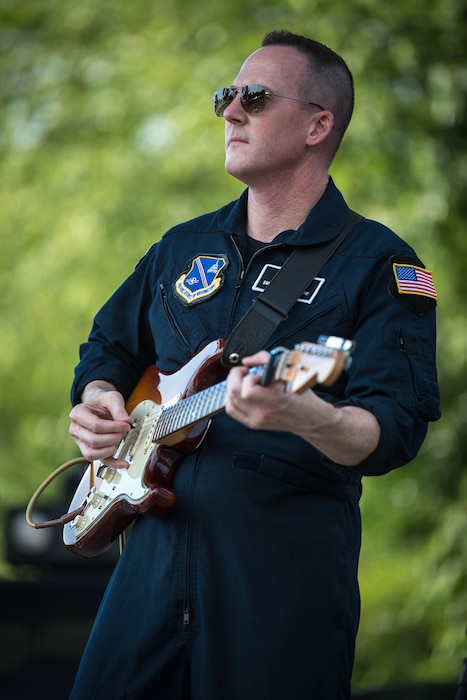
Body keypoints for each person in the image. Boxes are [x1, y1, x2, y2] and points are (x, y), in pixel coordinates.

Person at [68, 30, 440, 700]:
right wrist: (98, 399)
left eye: (255, 98)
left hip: (279, 573)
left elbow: (395, 426)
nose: (230, 112)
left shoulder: (386, 266)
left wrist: (306, 415)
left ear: (317, 125)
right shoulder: (180, 247)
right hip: (150, 560)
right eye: (226, 97)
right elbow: (108, 347)